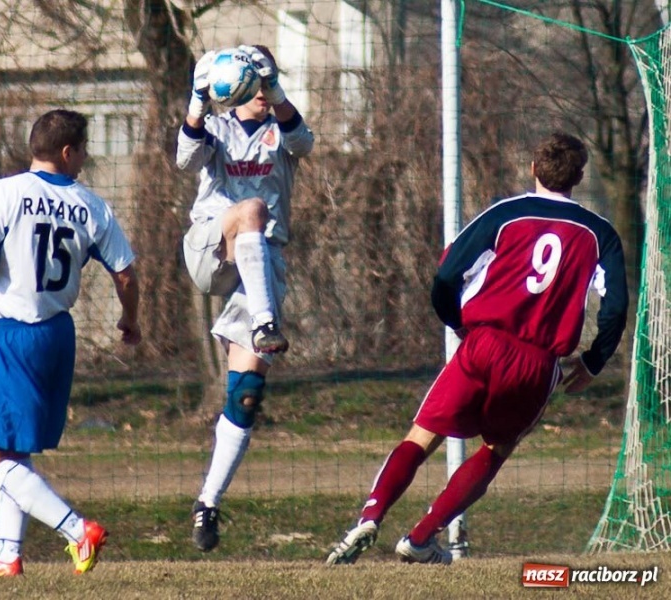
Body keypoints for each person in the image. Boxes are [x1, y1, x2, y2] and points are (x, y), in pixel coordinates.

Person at [326, 131, 628, 565]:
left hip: (484, 342)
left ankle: (370, 516)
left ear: (533, 169)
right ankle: (422, 537)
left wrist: (457, 321)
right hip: (538, 362)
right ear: (578, 178)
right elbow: (615, 307)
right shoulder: (600, 233)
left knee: (422, 435)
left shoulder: (506, 214)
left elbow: (448, 273)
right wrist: (595, 360)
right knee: (495, 449)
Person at [0, 109, 141, 577]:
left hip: (15, 335)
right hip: (57, 335)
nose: (85, 159)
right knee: (15, 449)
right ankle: (8, 554)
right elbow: (126, 274)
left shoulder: (6, 192)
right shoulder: (92, 206)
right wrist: (130, 322)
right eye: (85, 151)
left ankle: (78, 530)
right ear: (69, 152)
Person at [177, 44, 314, 552]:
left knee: (246, 396)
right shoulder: (215, 127)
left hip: (260, 265)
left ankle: (207, 503)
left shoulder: (282, 127)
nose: (259, 91)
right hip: (210, 246)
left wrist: (277, 90)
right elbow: (184, 157)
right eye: (253, 82)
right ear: (232, 87)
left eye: (266, 81)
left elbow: (305, 144)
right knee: (252, 207)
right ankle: (264, 322)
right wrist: (196, 100)